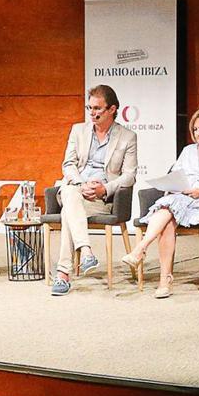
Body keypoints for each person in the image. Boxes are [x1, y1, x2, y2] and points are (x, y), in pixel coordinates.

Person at [122, 107, 199, 298]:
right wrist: (171, 184)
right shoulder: (188, 150)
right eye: (195, 129)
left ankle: (141, 249)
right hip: (180, 196)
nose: (197, 133)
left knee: (167, 208)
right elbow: (175, 174)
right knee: (167, 215)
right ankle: (164, 279)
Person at [51, 85, 138, 295]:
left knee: (67, 213)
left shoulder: (127, 137)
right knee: (71, 192)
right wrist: (81, 184)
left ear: (112, 109)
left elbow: (129, 175)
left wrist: (104, 189)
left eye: (98, 108)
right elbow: (68, 164)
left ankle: (63, 274)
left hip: (101, 199)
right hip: (77, 188)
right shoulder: (78, 130)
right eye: (90, 108)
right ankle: (85, 250)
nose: (93, 113)